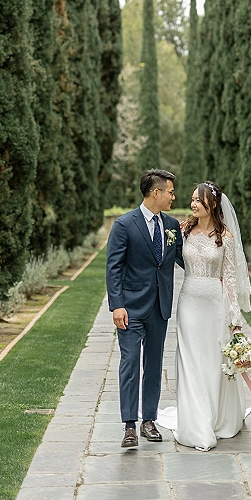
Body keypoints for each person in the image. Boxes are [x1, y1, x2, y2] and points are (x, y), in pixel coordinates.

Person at [159, 181, 251, 450]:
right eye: (191, 199)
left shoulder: (227, 238)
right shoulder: (183, 231)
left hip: (214, 305)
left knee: (212, 362)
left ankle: (214, 417)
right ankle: (195, 424)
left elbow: (231, 281)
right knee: (190, 361)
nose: (192, 204)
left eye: (198, 200)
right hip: (188, 303)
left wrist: (235, 320)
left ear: (212, 204)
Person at [106, 169, 184, 448]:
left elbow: (184, 261)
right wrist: (117, 305)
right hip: (130, 309)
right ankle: (129, 425)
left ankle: (149, 421)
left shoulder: (173, 225)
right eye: (171, 192)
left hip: (159, 309)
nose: (174, 196)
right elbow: (113, 268)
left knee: (153, 365)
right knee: (129, 365)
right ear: (156, 192)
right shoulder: (124, 225)